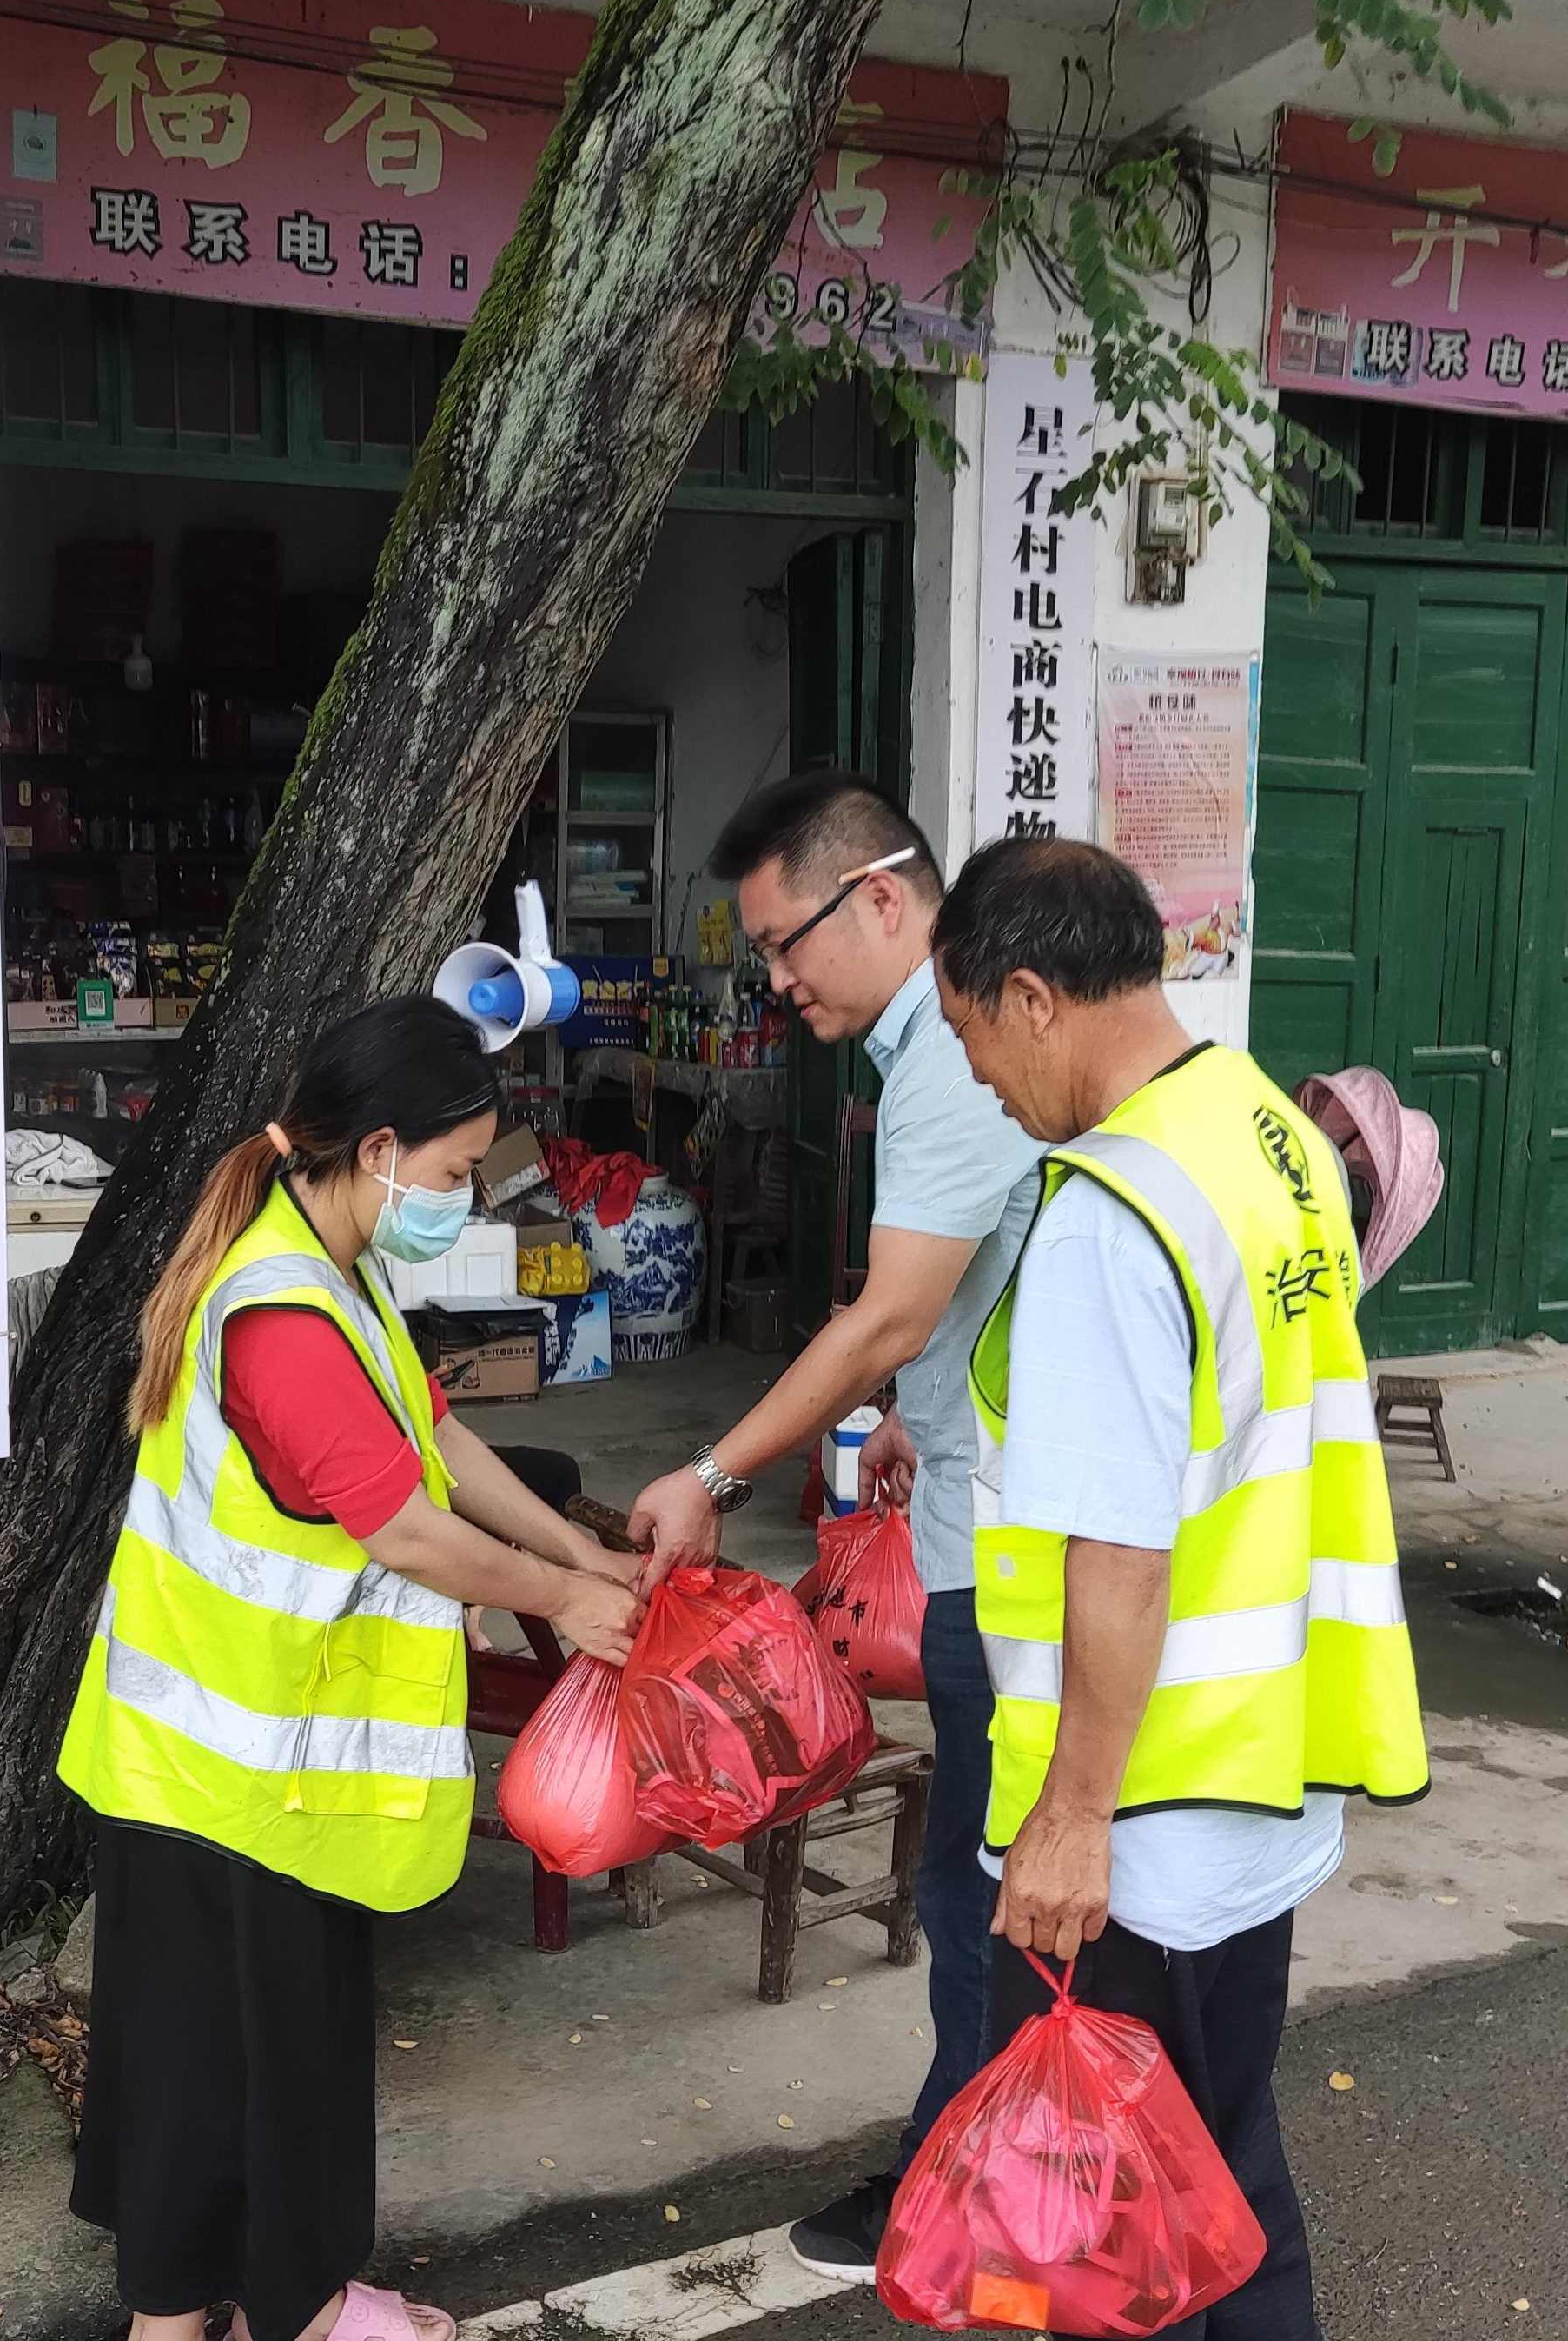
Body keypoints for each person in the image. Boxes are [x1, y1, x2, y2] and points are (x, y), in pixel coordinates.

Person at [59, 994, 644, 2341]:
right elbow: (405, 1526)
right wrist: (565, 1595)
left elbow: (438, 1439)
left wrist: (578, 1552)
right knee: (237, 2064)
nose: (461, 1200)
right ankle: (280, 2311)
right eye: (451, 1175)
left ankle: (233, 2307)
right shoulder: (279, 1315)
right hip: (221, 1769)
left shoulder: (334, 1271)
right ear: (377, 1148)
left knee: (219, 2060)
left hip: (235, 1760)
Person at [930, 839, 1430, 2341]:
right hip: (1255, 1789)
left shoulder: (1106, 1214)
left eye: (966, 1039)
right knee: (1227, 2193)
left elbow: (1121, 1551)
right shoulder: (1262, 1131)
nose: (978, 1083)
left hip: (1132, 1835)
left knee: (1098, 2259)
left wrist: (1071, 1817)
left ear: (1028, 998)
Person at [625, 773, 1044, 2281]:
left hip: (1019, 1563)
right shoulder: (934, 1044)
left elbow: (887, 1315)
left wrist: (715, 1472)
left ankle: (975, 2180)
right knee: (989, 1880)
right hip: (981, 1508)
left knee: (985, 1885)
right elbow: (938, 1315)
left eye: (784, 944)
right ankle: (1000, 2160)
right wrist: (903, 1430)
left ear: (881, 896)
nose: (776, 980)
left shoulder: (950, 1060)